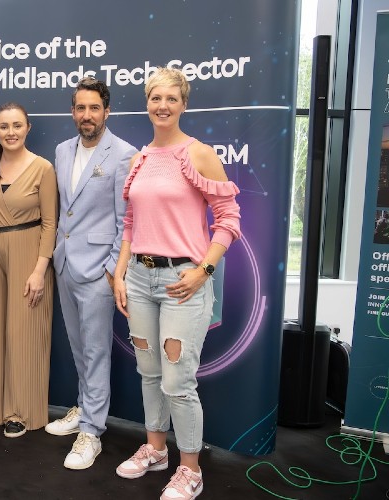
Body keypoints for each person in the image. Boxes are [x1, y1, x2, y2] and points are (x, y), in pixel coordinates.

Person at [112, 67, 241, 499]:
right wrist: (120, 272)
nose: (162, 106)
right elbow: (130, 222)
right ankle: (156, 449)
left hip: (183, 282)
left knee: (177, 382)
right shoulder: (140, 159)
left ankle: (191, 469)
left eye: (171, 98)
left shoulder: (198, 153)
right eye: (155, 98)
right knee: (148, 371)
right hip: (140, 278)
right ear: (146, 103)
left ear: (184, 103)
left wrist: (203, 271)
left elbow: (228, 220)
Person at [46, 77, 138, 469]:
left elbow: (126, 221)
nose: (87, 115)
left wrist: (112, 270)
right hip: (65, 262)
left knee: (98, 351)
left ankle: (92, 432)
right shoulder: (62, 150)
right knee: (79, 346)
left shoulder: (124, 154)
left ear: (107, 110)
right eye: (80, 108)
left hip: (100, 269)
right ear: (73, 111)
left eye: (94, 108)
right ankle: (84, 408)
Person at [0, 102, 58, 438]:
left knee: (24, 333)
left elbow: (50, 223)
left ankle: (19, 412)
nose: (11, 132)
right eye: (4, 126)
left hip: (28, 252)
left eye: (17, 125)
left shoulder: (43, 168)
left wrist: (40, 270)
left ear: (28, 128)